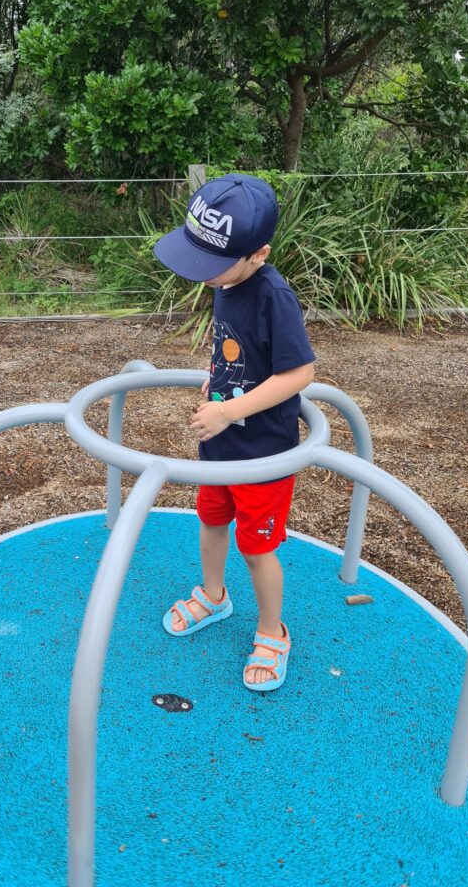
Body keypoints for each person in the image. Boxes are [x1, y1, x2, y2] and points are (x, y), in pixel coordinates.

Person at [153, 174, 316, 691]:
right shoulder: (225, 282)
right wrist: (217, 379)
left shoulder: (274, 296)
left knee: (256, 547)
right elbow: (238, 349)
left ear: (258, 254)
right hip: (221, 446)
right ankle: (213, 595)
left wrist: (230, 410)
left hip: (262, 453)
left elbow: (298, 373)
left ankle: (272, 632)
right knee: (210, 520)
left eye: (213, 263)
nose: (202, 273)